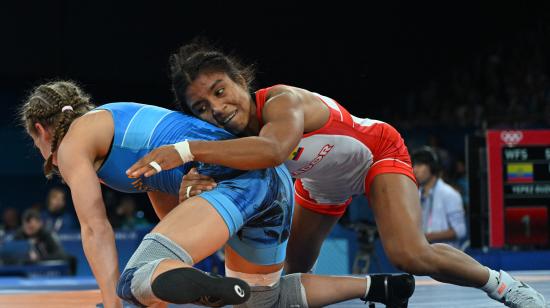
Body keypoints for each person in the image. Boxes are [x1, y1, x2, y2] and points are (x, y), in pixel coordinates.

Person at [127, 39, 546, 307]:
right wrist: (191, 186)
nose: (216, 109)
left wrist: (183, 150)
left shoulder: (282, 102)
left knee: (409, 254)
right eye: (201, 108)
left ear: (241, 80)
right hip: (319, 186)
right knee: (279, 283)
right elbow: (198, 204)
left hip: (376, 154)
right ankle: (376, 289)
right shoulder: (221, 140)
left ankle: (504, 286)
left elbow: (272, 151)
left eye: (220, 92)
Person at [20, 80, 414, 308]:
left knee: (132, 281)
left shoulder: (71, 144)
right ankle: (377, 287)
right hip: (273, 183)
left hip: (237, 180)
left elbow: (95, 229)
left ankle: (223, 291)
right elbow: (162, 194)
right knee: (266, 299)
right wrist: (186, 230)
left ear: (41, 129)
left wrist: (112, 302)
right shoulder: (113, 122)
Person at [411, 146, 466, 250]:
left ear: (432, 167)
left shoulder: (450, 194)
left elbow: (460, 230)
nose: (415, 170)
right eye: (414, 165)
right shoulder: (415, 194)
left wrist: (425, 237)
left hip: (446, 258)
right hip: (422, 257)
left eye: (420, 165)